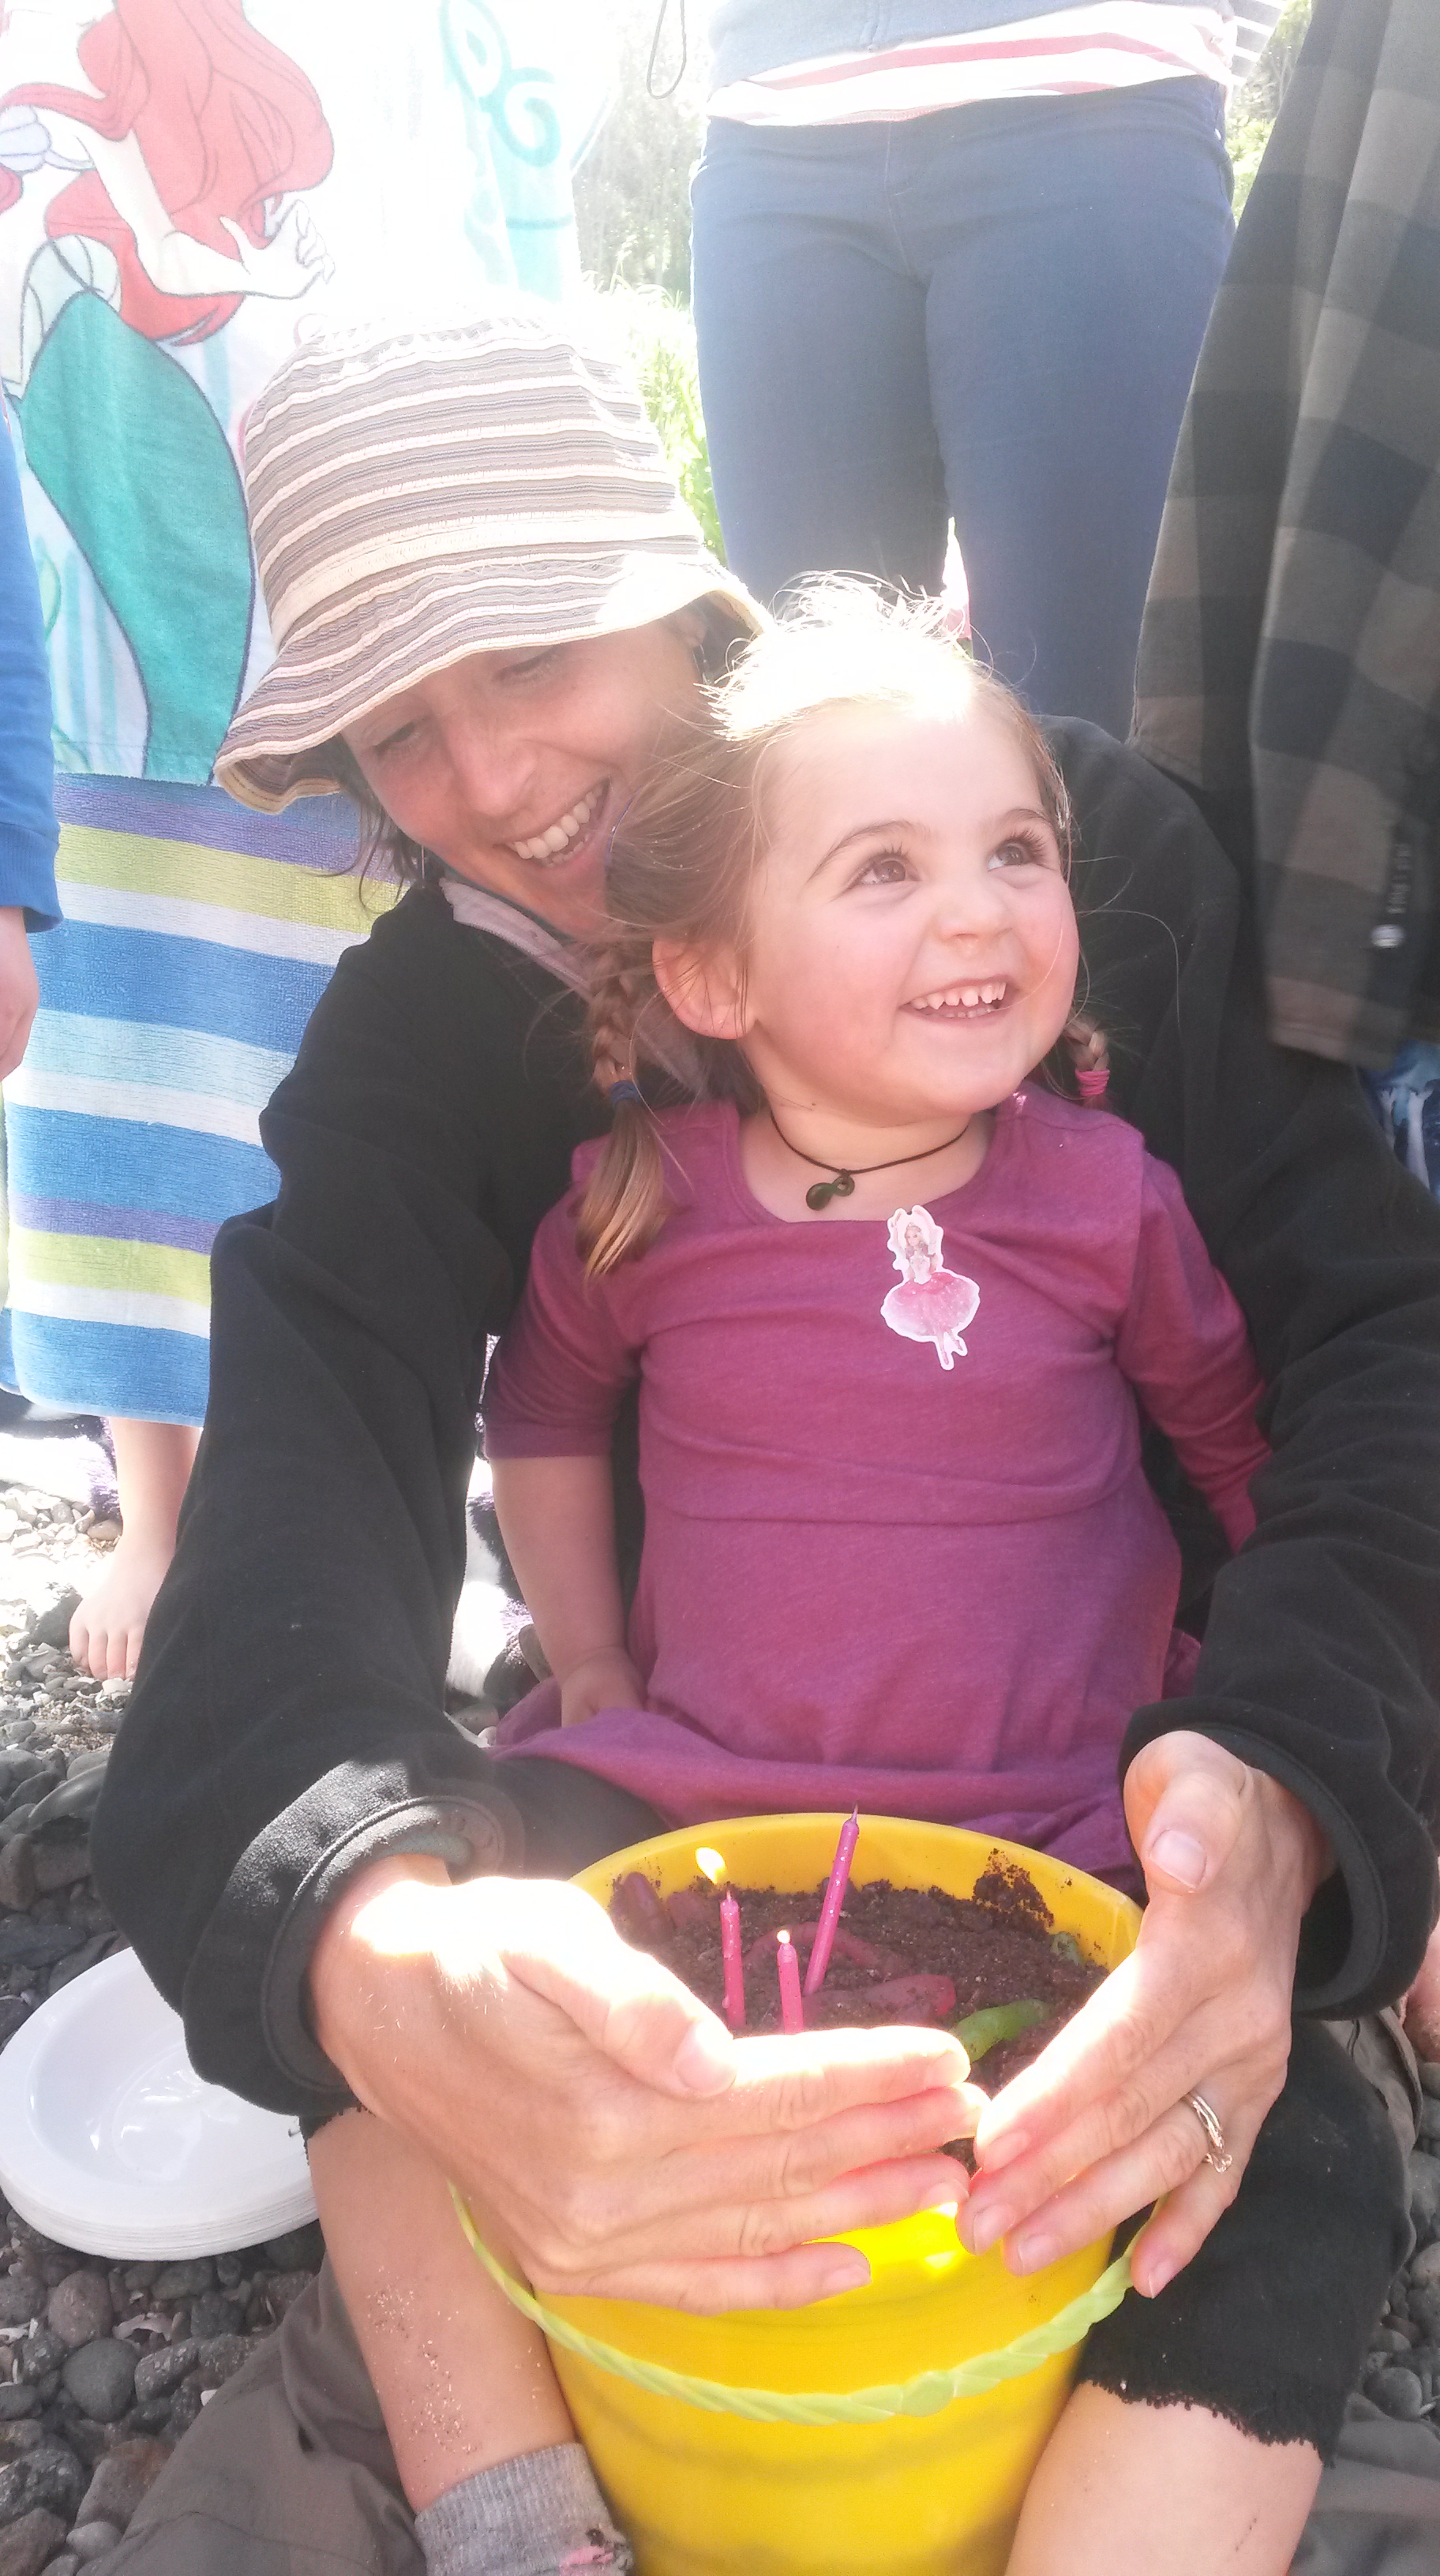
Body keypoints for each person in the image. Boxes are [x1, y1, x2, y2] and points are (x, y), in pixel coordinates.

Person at [90, 310, 1440, 2576]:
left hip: (1096, 1772)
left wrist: (1303, 1777)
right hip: (695, 1759)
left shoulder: (1046, 841)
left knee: (1288, 2134)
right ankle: (511, 2515)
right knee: (376, 1944)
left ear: (678, 601)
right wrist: (370, 1949)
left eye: (530, 658)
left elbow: (1371, 1350)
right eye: (398, 729)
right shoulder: (432, 1033)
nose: (489, 778)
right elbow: (288, 1536)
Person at [0, 0, 607, 1679]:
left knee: (348, 1095)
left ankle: (425, 1491)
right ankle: (157, 1505)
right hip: (79, 642)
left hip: (359, 633)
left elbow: (514, 176)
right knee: (106, 1109)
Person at [688, 0, 1284, 732]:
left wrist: (1163, 47)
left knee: (1107, 729)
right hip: (767, 126)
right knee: (810, 726)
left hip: (1093, 93)